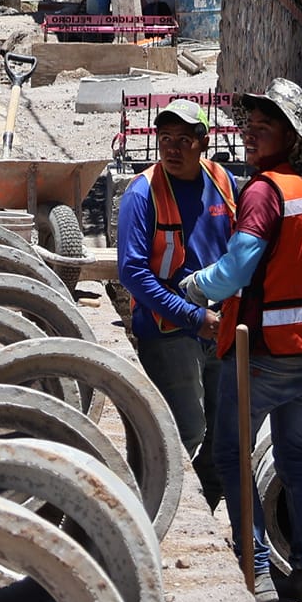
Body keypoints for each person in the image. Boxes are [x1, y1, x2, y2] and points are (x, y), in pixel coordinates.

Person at [180, 78, 302, 602]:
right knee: (293, 456)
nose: (250, 134)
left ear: (290, 135)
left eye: (264, 125)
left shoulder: (263, 191)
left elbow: (237, 271)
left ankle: (255, 570)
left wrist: (196, 285)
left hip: (264, 353)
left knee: (231, 454)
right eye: (248, 124)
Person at [115, 100, 234, 505]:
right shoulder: (142, 194)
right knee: (185, 433)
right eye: (165, 139)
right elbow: (132, 273)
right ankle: (159, 510)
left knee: (226, 437)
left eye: (184, 139)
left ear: (203, 142)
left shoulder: (223, 182)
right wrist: (192, 316)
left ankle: (210, 516)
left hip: (222, 328)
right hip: (170, 333)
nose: (172, 148)